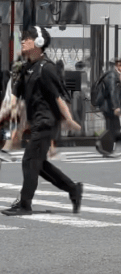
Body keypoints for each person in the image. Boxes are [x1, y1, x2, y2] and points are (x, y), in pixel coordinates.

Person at [1, 26, 83, 217]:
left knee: (29, 160)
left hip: (47, 121)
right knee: (38, 164)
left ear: (38, 43)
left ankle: (24, 204)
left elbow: (58, 97)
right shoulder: (26, 67)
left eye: (27, 38)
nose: (23, 41)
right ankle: (73, 189)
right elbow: (15, 96)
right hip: (35, 122)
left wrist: (69, 119)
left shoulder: (47, 68)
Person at [94, 59, 121, 157]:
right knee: (114, 128)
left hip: (108, 106)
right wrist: (115, 107)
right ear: (118, 66)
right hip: (109, 107)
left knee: (111, 128)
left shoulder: (110, 74)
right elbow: (113, 92)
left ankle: (107, 149)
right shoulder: (112, 76)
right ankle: (105, 147)